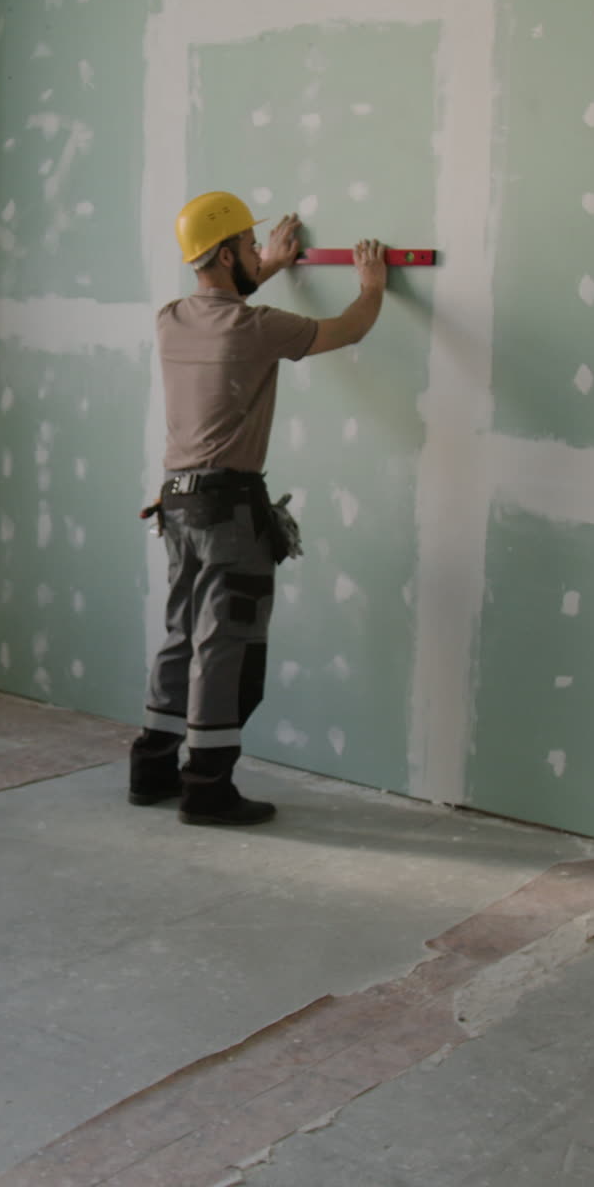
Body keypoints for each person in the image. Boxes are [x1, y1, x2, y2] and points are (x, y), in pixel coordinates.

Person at [129, 190, 386, 825]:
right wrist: (372, 286)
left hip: (177, 505)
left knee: (182, 634)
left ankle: (152, 767)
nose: (257, 253)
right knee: (227, 647)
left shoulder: (171, 318)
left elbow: (226, 292)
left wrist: (267, 261)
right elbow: (347, 329)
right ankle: (209, 788)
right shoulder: (255, 327)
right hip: (230, 512)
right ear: (222, 252)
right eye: (247, 246)